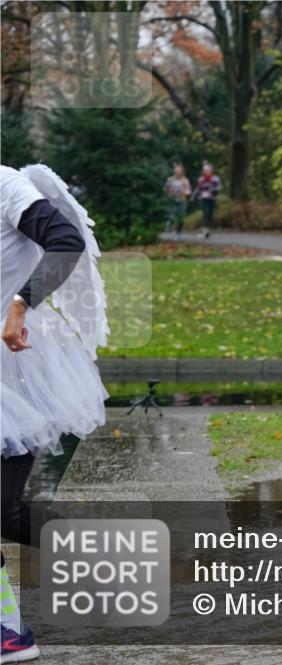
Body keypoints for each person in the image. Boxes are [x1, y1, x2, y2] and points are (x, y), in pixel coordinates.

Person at [1, 163, 109, 662]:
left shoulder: (7, 186)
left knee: (4, 511)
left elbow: (67, 240)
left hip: (13, 369)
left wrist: (21, 304)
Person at [192, 161, 221, 238]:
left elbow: (218, 188)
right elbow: (198, 189)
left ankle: (207, 230)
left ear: (211, 171)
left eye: (208, 170)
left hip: (212, 198)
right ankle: (204, 231)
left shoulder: (215, 179)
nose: (206, 172)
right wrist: (193, 196)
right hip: (202, 198)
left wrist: (212, 191)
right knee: (206, 213)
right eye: (205, 171)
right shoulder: (201, 179)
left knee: (210, 215)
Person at [163, 163, 191, 239]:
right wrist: (170, 191)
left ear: (182, 171)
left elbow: (188, 191)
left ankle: (178, 233)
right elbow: (165, 189)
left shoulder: (185, 180)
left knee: (181, 217)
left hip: (182, 200)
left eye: (179, 171)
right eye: (176, 171)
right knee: (171, 214)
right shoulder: (170, 179)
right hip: (173, 200)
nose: (178, 172)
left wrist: (185, 192)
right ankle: (168, 224)